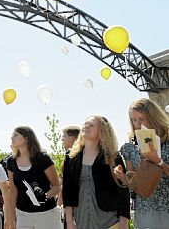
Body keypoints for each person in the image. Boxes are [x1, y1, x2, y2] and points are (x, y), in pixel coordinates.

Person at [63, 116, 130, 229]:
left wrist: (124, 222)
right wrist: (69, 222)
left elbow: (122, 190)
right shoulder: (71, 157)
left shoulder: (112, 157)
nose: (86, 126)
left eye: (91, 125)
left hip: (109, 221)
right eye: (85, 123)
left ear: (102, 131)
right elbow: (67, 191)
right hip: (81, 220)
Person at [117, 98, 169, 229]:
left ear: (153, 117)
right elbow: (134, 185)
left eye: (142, 119)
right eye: (134, 120)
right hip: (145, 211)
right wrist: (125, 179)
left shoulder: (167, 141)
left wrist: (158, 161)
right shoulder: (130, 147)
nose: (138, 124)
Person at [6, 126, 61, 229]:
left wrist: (43, 197)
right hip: (22, 215)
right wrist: (11, 217)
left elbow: (56, 187)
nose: (12, 138)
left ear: (26, 138)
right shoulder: (11, 161)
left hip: (47, 214)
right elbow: (12, 190)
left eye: (16, 135)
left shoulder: (43, 159)